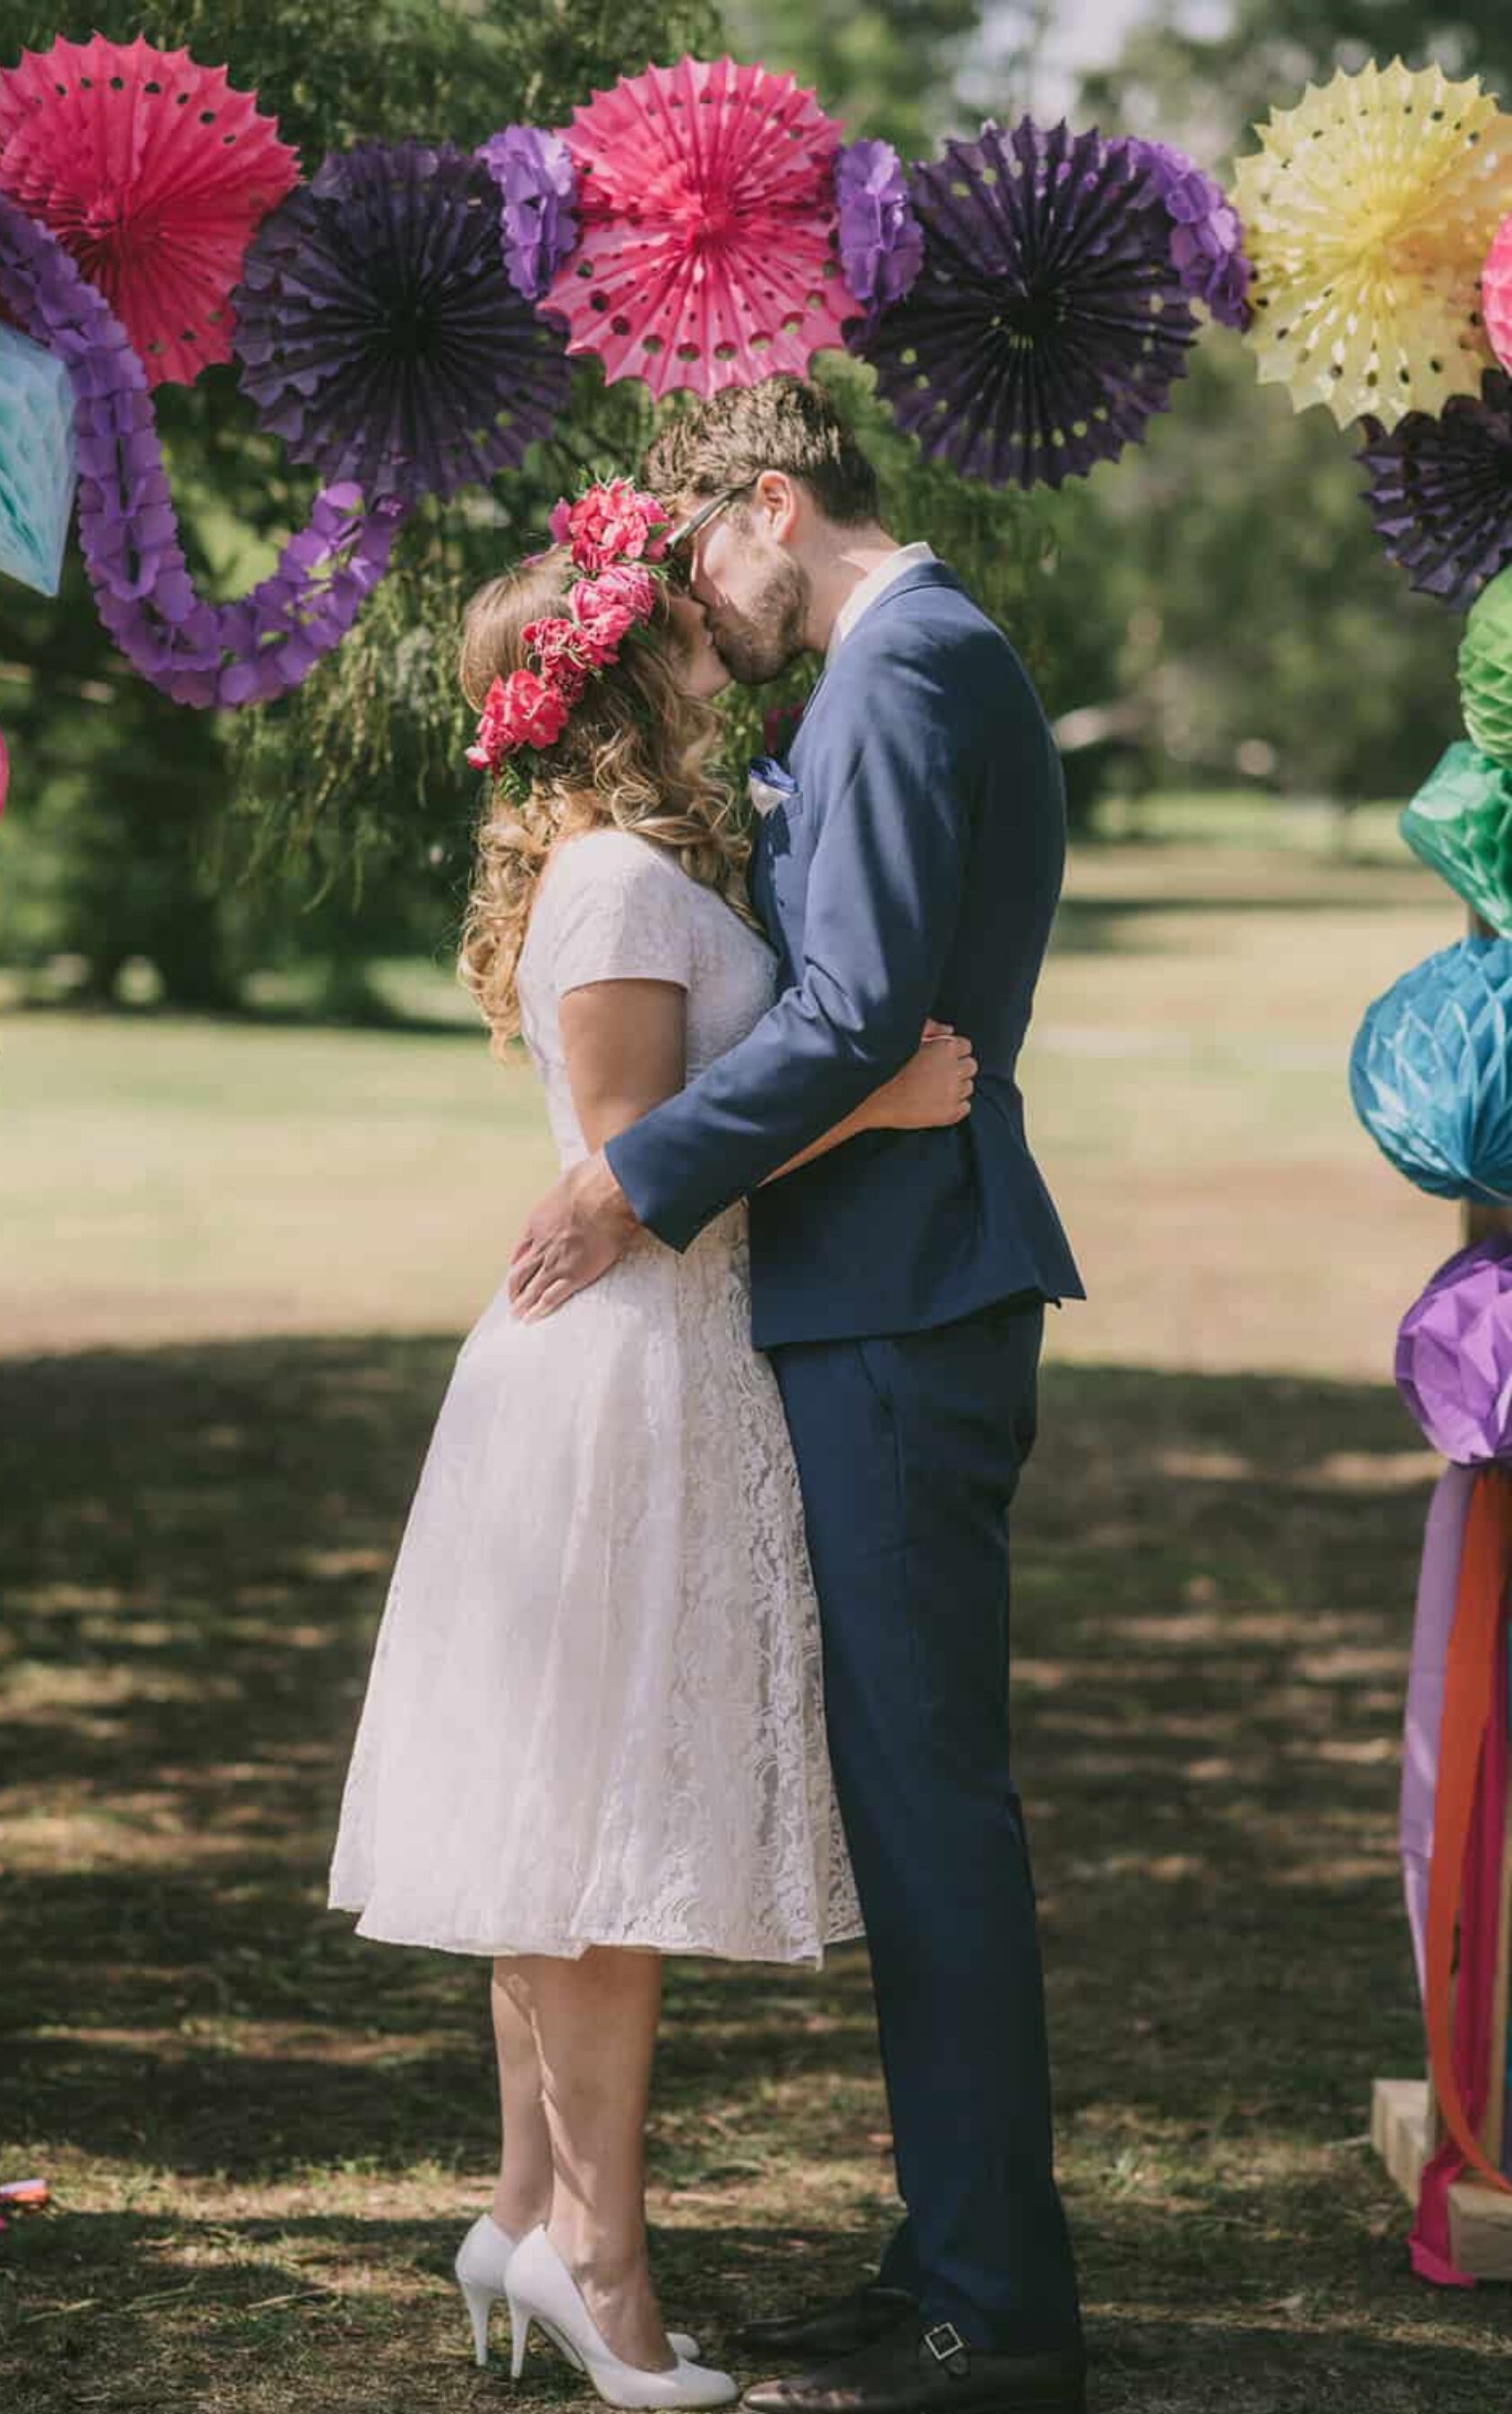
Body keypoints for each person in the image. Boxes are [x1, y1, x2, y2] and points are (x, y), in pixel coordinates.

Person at [326, 484, 978, 2411]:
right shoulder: (615, 881)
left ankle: (529, 2208)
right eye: (677, 613)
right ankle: (598, 2262)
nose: (710, 614)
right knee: (591, 1836)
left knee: (580, 1815)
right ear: (625, 673)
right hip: (615, 1381)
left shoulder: (649, 857)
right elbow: (625, 1176)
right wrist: (878, 1107)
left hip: (671, 1372)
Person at [506, 378, 1089, 2414]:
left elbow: (859, 1014)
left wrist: (628, 1176)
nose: (702, 607)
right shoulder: (890, 672)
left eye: (706, 561)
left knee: (933, 1811)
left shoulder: (909, 668)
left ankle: (992, 2313)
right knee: (913, 1801)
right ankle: (950, 2259)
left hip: (911, 1298)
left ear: (775, 501)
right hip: (877, 1292)